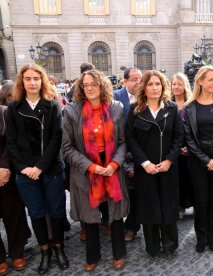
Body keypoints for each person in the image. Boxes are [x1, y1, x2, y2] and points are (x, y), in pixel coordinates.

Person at [62, 69, 128, 272]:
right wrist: (90, 166)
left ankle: (119, 253)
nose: (89, 88)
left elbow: (123, 142)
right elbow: (66, 148)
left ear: (102, 85)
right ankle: (93, 255)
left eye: (94, 84)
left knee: (115, 214)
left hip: (111, 167)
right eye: (85, 85)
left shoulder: (116, 107)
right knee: (90, 216)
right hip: (86, 169)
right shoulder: (72, 111)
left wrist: (115, 164)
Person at [6, 63, 68, 274]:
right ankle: (45, 251)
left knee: (57, 211)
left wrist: (40, 167)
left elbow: (56, 138)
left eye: (36, 78)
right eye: (28, 79)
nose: (32, 83)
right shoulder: (14, 108)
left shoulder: (53, 105)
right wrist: (24, 168)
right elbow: (11, 142)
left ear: (42, 81)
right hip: (25, 172)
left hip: (50, 169)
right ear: (21, 82)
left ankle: (59, 248)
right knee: (37, 213)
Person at [126, 70, 183, 259]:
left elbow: (178, 136)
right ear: (144, 87)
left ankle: (170, 244)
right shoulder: (135, 110)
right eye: (150, 84)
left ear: (163, 86)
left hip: (168, 168)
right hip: (145, 170)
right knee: (148, 208)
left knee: (168, 205)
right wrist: (144, 162)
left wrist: (169, 160)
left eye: (158, 83)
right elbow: (131, 139)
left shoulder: (171, 108)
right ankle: (152, 246)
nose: (154, 87)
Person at [183, 65, 213, 253]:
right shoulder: (190, 107)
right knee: (200, 199)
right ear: (200, 82)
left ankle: (212, 236)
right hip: (197, 161)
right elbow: (188, 138)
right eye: (210, 79)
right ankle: (200, 237)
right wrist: (206, 160)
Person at [0, 102, 31, 275]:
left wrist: (4, 168)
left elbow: (10, 142)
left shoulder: (4, 112)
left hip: (6, 174)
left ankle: (17, 252)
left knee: (13, 215)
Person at [113, 67, 142, 242]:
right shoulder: (115, 97)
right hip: (118, 151)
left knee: (135, 193)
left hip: (138, 151)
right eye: (134, 79)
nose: (138, 82)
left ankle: (132, 226)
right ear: (125, 82)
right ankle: (111, 222)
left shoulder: (146, 96)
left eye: (140, 79)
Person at [171, 73, 194, 219]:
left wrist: (189, 147)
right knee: (176, 179)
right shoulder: (167, 103)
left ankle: (189, 203)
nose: (176, 87)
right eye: (174, 84)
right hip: (173, 148)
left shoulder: (191, 104)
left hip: (190, 147)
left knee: (189, 178)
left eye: (179, 84)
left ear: (185, 85)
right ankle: (178, 206)